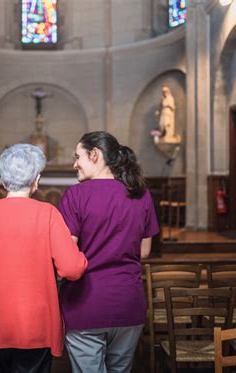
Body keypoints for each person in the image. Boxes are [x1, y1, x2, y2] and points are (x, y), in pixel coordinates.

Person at [0, 144, 88, 373]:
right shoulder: (48, 214)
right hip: (34, 325)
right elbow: (72, 269)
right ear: (36, 180)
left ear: (3, 182)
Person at [58, 131, 160, 373]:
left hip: (86, 304)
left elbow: (67, 254)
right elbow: (144, 251)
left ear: (94, 155)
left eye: (77, 157)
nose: (74, 164)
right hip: (129, 302)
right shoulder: (141, 193)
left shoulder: (76, 195)